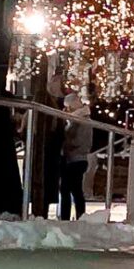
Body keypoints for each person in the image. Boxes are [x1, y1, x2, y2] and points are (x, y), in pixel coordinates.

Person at [60, 91, 92, 219]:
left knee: (70, 189)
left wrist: (65, 142)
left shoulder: (79, 120)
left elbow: (78, 141)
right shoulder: (80, 119)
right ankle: (77, 215)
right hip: (76, 158)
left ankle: (68, 217)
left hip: (75, 158)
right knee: (73, 189)